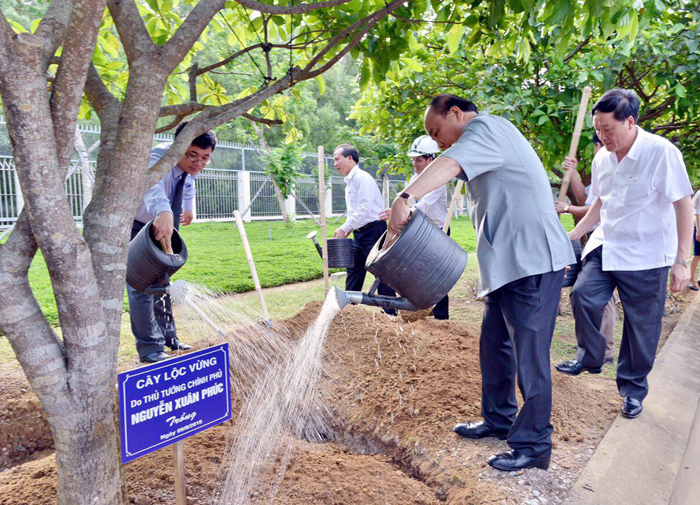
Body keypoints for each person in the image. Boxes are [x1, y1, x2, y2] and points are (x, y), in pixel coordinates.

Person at [386, 94, 575, 472]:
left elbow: (448, 163)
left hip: (533, 262)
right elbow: (450, 168)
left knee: (530, 357)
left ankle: (534, 444)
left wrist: (405, 197)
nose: (437, 141)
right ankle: (499, 419)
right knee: (495, 347)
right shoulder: (480, 144)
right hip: (508, 266)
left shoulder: (486, 127)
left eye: (436, 131)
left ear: (456, 113)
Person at [554, 89, 694, 420]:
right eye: (598, 130)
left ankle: (632, 390)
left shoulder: (662, 153)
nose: (602, 137)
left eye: (608, 129)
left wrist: (682, 261)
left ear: (630, 122)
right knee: (583, 296)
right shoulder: (603, 157)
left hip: (648, 255)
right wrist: (573, 236)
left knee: (641, 328)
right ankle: (591, 356)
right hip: (607, 244)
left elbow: (683, 206)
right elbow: (599, 204)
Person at [127, 122, 217, 363]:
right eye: (192, 155)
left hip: (159, 224)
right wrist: (164, 212)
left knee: (162, 281)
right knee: (141, 285)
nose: (199, 163)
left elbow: (187, 181)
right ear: (178, 148)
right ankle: (150, 349)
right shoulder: (157, 157)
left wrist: (188, 207)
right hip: (135, 225)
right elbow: (152, 186)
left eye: (206, 158)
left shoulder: (189, 167)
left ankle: (169, 338)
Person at [555, 133, 616, 364]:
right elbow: (585, 197)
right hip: (593, 239)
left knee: (604, 296)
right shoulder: (601, 170)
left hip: (608, 241)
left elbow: (592, 208)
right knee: (585, 293)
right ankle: (593, 344)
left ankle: (606, 350)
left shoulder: (613, 166)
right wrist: (572, 173)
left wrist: (568, 209)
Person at [380, 135, 450, 319]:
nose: (414, 163)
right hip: (418, 231)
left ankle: (441, 317)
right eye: (413, 159)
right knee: (416, 273)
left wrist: (402, 211)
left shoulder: (439, 181)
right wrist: (394, 210)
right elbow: (408, 202)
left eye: (418, 159)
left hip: (438, 231)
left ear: (430, 159)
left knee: (437, 276)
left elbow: (422, 206)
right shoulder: (414, 178)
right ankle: (418, 313)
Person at [332, 144, 396, 315]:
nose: (335, 163)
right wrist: (347, 229)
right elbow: (354, 211)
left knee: (380, 272)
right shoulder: (350, 182)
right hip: (359, 233)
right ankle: (349, 312)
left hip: (373, 231)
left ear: (350, 158)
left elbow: (365, 208)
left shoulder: (362, 178)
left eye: (337, 159)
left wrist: (345, 227)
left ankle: (390, 314)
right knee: (353, 269)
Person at [689, 189, 700, 291]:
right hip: (699, 226)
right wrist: (698, 231)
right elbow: (697, 212)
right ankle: (691, 280)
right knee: (697, 254)